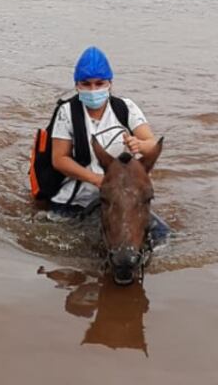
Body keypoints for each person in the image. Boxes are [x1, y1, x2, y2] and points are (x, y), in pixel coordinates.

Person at [47, 46, 170, 244]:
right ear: (77, 85)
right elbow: (59, 159)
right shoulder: (67, 112)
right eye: (86, 84)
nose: (93, 90)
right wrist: (96, 179)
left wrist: (139, 144)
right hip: (78, 199)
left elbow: (152, 144)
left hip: (121, 198)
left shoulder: (125, 108)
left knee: (161, 237)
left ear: (110, 83)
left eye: (99, 83)